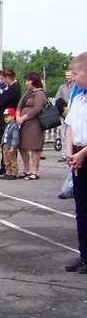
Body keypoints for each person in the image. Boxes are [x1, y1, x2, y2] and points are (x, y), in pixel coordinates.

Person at [62, 53, 87, 272]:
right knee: (81, 207)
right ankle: (84, 253)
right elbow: (69, 126)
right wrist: (71, 154)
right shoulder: (78, 98)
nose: (74, 77)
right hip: (78, 156)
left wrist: (82, 154)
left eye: (76, 73)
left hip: (85, 154)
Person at [16, 72, 48, 181]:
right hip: (23, 123)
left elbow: (37, 109)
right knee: (22, 146)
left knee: (34, 147)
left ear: (34, 81)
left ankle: (35, 171)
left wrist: (24, 117)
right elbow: (19, 105)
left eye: (28, 80)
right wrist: (18, 116)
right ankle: (27, 169)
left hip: (34, 123)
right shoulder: (27, 93)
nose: (26, 83)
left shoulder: (40, 94)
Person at [0, 68, 21, 174]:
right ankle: (5, 167)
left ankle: (10, 169)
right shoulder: (9, 88)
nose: (4, 81)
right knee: (4, 142)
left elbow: (2, 101)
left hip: (9, 116)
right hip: (3, 116)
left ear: (8, 78)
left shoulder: (14, 88)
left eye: (4, 78)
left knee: (8, 142)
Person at [55, 69, 75, 162]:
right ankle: (64, 154)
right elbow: (57, 99)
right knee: (63, 134)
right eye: (66, 75)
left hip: (74, 113)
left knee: (73, 134)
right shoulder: (62, 88)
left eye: (69, 75)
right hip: (64, 113)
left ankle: (72, 154)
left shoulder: (76, 87)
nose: (68, 77)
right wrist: (63, 108)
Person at [0, 108, 20, 180]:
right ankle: (8, 172)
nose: (5, 118)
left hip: (10, 145)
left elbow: (15, 137)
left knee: (12, 160)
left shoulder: (14, 126)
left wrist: (13, 146)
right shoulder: (7, 125)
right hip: (5, 144)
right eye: (4, 117)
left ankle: (14, 173)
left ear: (13, 117)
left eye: (7, 116)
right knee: (6, 160)